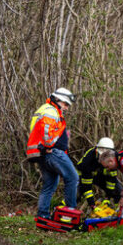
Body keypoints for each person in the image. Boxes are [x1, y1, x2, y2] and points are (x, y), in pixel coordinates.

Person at [26, 87, 79, 224]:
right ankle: (70, 214)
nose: (66, 108)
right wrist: (49, 146)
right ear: (57, 100)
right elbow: (46, 131)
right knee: (72, 178)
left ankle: (42, 215)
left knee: (49, 185)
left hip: (43, 154)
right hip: (52, 152)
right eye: (65, 104)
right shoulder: (51, 111)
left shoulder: (44, 109)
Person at [75, 137, 121, 208]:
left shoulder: (113, 160)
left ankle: (119, 213)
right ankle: (66, 212)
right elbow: (87, 187)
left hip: (100, 177)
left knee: (118, 191)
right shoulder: (87, 161)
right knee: (75, 194)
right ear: (97, 151)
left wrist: (107, 198)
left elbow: (111, 181)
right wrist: (92, 205)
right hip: (83, 176)